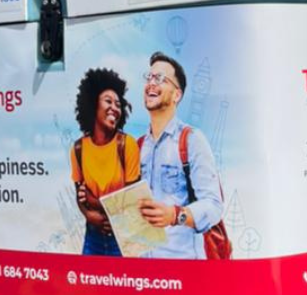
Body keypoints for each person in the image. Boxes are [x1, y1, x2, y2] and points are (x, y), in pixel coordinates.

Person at [137, 51, 225, 259]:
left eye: (160, 78)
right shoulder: (138, 146)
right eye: (149, 77)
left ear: (177, 95)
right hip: (143, 270)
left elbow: (214, 205)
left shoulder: (192, 140)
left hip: (184, 267)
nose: (151, 83)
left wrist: (175, 215)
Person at [71, 68, 140, 257]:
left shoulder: (127, 145)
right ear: (93, 104)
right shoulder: (78, 149)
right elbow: (80, 195)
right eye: (108, 101)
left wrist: (93, 201)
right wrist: (88, 215)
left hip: (123, 237)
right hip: (92, 237)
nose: (114, 108)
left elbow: (130, 201)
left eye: (118, 104)